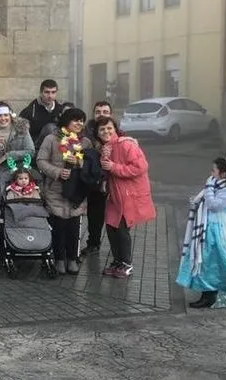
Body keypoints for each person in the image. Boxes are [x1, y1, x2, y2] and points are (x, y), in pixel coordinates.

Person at [95, 116, 156, 279]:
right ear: (97, 133)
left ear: (115, 129)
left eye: (109, 128)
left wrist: (114, 167)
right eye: (102, 129)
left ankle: (127, 264)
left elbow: (141, 167)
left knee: (122, 229)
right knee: (111, 227)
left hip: (129, 195)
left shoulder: (126, 144)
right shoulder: (106, 148)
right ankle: (117, 262)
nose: (106, 131)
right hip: (115, 195)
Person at [36, 109, 92, 275]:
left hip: (76, 191)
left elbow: (91, 165)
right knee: (59, 226)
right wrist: (57, 172)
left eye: (81, 121)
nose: (79, 124)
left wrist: (80, 162)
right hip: (56, 189)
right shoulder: (51, 139)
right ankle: (59, 258)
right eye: (75, 120)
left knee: (74, 226)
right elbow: (41, 161)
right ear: (66, 121)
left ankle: (72, 259)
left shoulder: (85, 142)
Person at [177, 157, 226, 308]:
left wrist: (209, 188)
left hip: (220, 234)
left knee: (215, 264)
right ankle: (207, 295)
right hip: (208, 232)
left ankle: (210, 296)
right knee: (207, 264)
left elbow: (214, 205)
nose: (210, 173)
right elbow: (205, 202)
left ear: (223, 174)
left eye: (213, 170)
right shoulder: (216, 187)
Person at [81, 100, 113, 258]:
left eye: (105, 112)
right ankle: (87, 243)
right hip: (89, 178)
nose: (102, 114)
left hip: (109, 180)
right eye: (98, 112)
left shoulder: (116, 132)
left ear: (110, 114)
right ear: (93, 114)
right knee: (89, 213)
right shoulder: (85, 131)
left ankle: (103, 244)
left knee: (105, 214)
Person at [0, 101, 36, 192]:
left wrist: (9, 155)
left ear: (11, 116)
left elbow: (31, 151)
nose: (3, 118)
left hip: (21, 172)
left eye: (5, 115)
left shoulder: (22, 129)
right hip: (0, 174)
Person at [19, 79, 65, 146]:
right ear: (41, 93)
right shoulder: (29, 111)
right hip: (36, 146)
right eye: (47, 92)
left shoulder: (61, 110)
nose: (50, 96)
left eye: (53, 92)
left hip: (58, 146)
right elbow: (20, 133)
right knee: (50, 127)